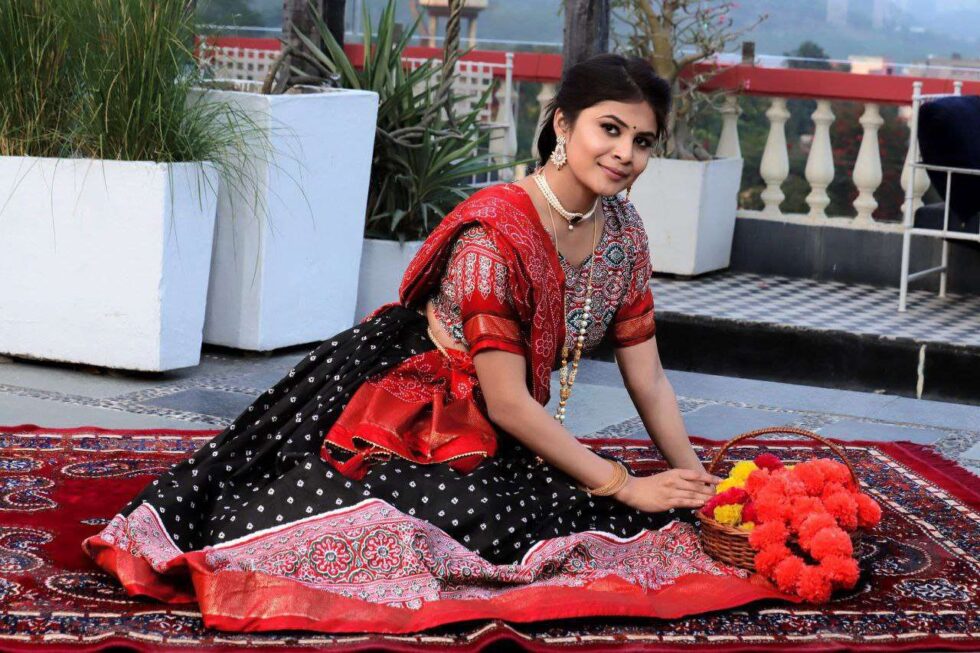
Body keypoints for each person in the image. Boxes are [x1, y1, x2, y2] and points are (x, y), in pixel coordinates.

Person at [83, 53, 792, 634]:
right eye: (610, 129)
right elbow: (508, 403)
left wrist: (703, 488)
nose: (625, 154)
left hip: (499, 413)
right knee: (488, 521)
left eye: (643, 141)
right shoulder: (495, 237)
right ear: (562, 122)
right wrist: (626, 482)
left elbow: (650, 379)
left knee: (615, 513)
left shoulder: (624, 234)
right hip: (419, 405)